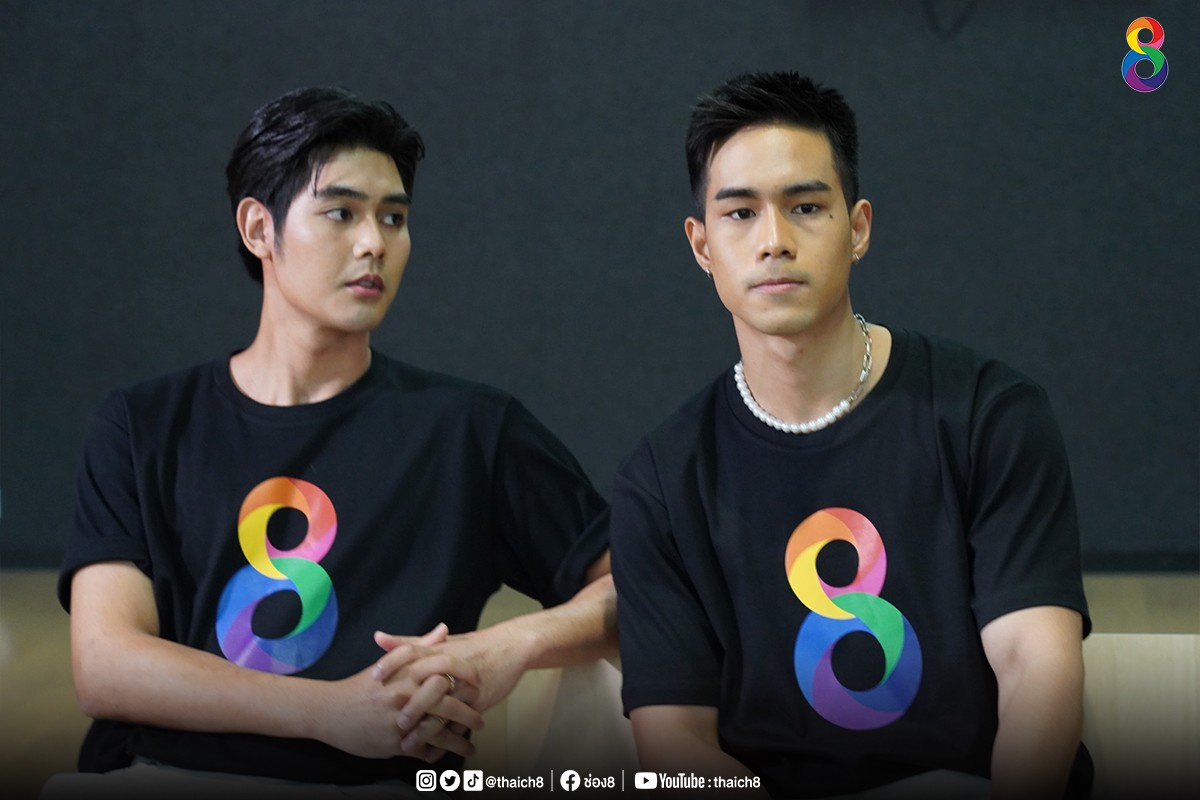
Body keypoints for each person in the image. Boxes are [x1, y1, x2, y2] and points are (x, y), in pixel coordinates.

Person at [55, 86, 615, 796]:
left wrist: (509, 645)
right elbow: (105, 664)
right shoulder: (142, 423)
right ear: (259, 229)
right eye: (341, 213)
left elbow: (640, 588)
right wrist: (332, 713)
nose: (374, 242)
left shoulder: (472, 429)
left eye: (394, 218)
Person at [610, 71, 1091, 799]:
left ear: (858, 228)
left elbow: (1036, 665)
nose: (774, 241)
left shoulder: (990, 415)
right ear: (701, 245)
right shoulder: (660, 480)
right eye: (740, 213)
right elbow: (674, 740)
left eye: (806, 207)